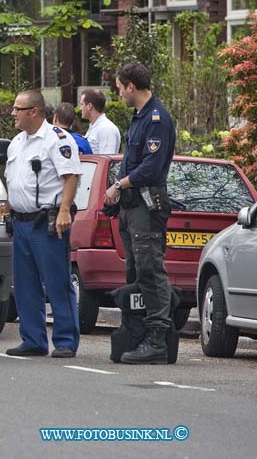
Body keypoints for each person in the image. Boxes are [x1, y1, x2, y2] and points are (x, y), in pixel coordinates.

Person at [103, 62, 175, 364]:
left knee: (149, 270)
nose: (119, 94)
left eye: (120, 88)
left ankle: (157, 338)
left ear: (131, 86)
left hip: (146, 204)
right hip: (133, 207)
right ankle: (138, 331)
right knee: (135, 271)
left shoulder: (156, 119)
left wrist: (119, 184)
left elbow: (151, 167)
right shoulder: (140, 118)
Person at [4, 90, 81, 358]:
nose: (13, 113)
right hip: (22, 222)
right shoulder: (17, 143)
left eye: (18, 108)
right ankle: (33, 339)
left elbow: (71, 176)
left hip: (47, 221)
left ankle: (65, 341)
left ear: (34, 112)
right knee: (25, 285)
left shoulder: (57, 139)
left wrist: (64, 210)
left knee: (57, 281)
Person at [80, 88, 121, 154]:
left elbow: (106, 159)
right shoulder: (94, 126)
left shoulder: (106, 129)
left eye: (82, 104)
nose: (80, 108)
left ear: (89, 106)